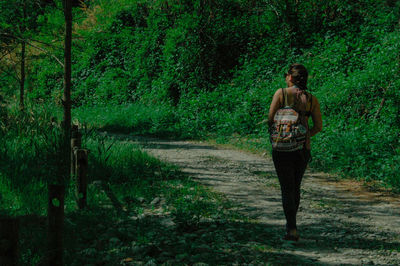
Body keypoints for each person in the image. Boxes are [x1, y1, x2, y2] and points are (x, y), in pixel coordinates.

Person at [267, 63, 322, 241]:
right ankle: (293, 228)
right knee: (295, 187)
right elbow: (318, 127)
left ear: (290, 77)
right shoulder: (312, 99)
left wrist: (279, 135)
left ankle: (291, 228)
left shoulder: (281, 93)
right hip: (302, 150)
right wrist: (303, 136)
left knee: (286, 188)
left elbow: (271, 118)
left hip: (281, 148)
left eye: (286, 75)